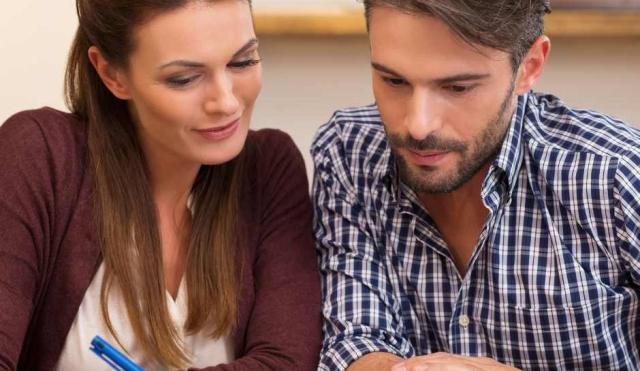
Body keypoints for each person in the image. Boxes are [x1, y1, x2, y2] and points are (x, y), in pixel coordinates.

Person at [312, 0, 640, 370]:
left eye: (457, 87)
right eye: (394, 81)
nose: (419, 126)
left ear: (529, 67)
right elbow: (356, 339)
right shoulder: (348, 152)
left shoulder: (618, 174)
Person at [0, 0, 321, 370]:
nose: (226, 102)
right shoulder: (39, 156)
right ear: (111, 74)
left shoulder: (268, 170)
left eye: (243, 61)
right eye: (184, 78)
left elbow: (285, 362)